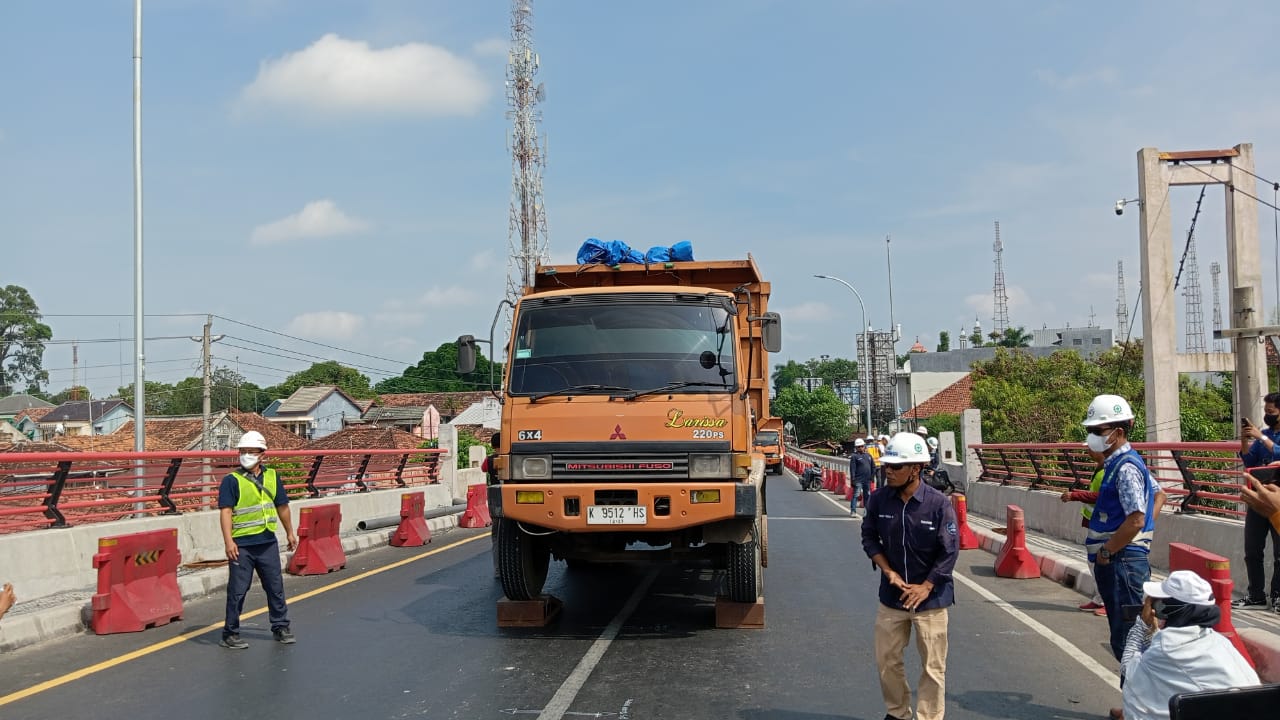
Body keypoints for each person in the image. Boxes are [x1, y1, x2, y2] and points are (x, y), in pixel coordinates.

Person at [861, 432, 959, 720]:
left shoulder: (938, 504)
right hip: (892, 598)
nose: (888, 472)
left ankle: (929, 717)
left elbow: (949, 551)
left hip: (932, 600)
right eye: (886, 467)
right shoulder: (879, 500)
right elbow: (869, 537)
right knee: (886, 661)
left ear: (916, 469)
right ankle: (897, 713)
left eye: (896, 467)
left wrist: (927, 586)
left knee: (933, 666)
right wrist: (888, 572)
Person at [1081, 394, 1165, 661]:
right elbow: (1158, 494)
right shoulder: (1121, 462)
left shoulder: (1125, 467)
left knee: (1128, 638)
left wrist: (1108, 551)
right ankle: (1133, 700)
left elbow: (1136, 518)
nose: (1092, 437)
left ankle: (1138, 700)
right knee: (1130, 634)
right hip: (1123, 560)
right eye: (1089, 431)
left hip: (1121, 563)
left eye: (1097, 431)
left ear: (1117, 432)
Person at [1117, 571, 1259, 720]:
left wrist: (1142, 625)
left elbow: (1129, 668)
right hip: (1250, 710)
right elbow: (1158, 660)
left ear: (1171, 608)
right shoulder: (1216, 640)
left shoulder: (1168, 647)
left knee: (1139, 700)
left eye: (1157, 603)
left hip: (1226, 710)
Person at [219, 431, 298, 649]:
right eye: (242, 451)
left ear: (262, 454)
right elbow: (225, 512)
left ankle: (281, 627)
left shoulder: (272, 476)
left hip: (267, 543)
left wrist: (290, 532)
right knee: (237, 590)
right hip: (242, 545)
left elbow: (282, 506)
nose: (245, 455)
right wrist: (228, 542)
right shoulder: (231, 481)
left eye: (250, 452)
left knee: (275, 586)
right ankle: (230, 633)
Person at [1235, 394, 1280, 612]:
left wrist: (1261, 438)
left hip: (1277, 500)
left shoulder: (1266, 438)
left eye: (1271, 412)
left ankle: (1278, 596)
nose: (1267, 415)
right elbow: (1249, 460)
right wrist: (1246, 439)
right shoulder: (1265, 434)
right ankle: (1256, 595)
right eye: (1266, 411)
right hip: (1258, 499)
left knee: (1279, 553)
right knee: (1252, 549)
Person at [1062, 445, 1108, 616]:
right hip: (1094, 522)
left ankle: (1108, 603)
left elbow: (1101, 497)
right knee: (1093, 562)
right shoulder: (1099, 468)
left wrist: (1075, 495)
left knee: (1103, 564)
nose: (1088, 452)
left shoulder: (1107, 471)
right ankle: (1099, 599)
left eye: (1091, 448)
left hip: (1103, 523)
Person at [849, 438, 875, 517]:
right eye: (858, 447)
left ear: (864, 446)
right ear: (856, 448)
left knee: (867, 496)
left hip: (867, 480)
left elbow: (873, 466)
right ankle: (853, 511)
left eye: (861, 446)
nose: (860, 448)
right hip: (858, 480)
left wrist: (872, 476)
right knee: (856, 495)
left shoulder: (868, 456)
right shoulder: (854, 456)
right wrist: (853, 479)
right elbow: (852, 469)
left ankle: (867, 512)